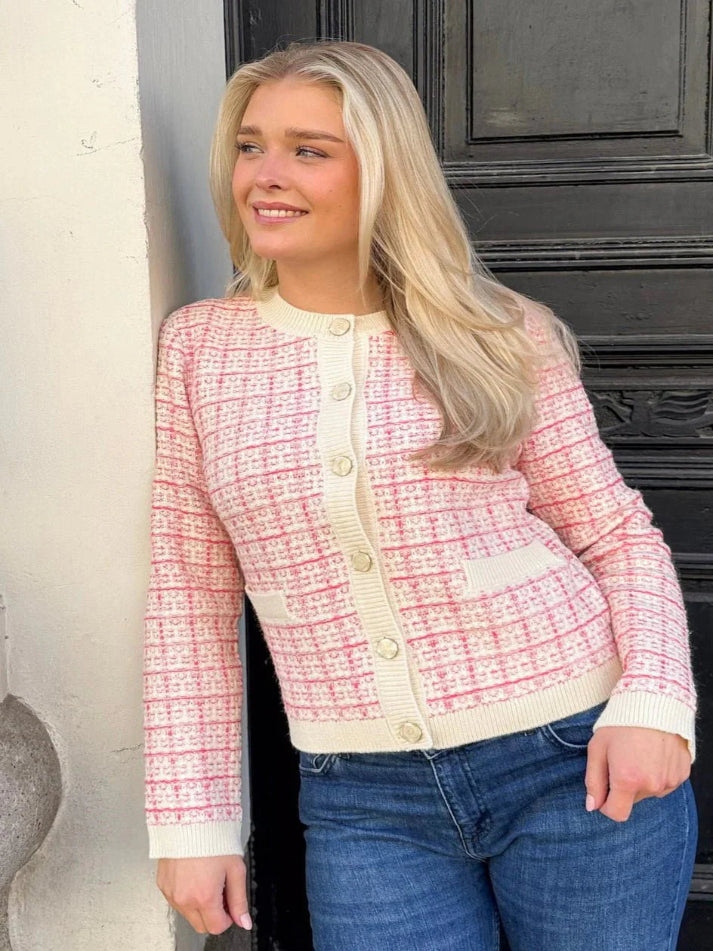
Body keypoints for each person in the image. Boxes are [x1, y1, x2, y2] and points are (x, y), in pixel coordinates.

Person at [143, 39, 698, 950]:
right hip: (361, 796)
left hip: (571, 753)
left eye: (308, 150)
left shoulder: (498, 333)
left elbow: (614, 535)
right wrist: (192, 820)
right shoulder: (200, 350)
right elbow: (189, 593)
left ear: (383, 171)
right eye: (250, 146)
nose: (265, 175)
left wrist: (654, 702)